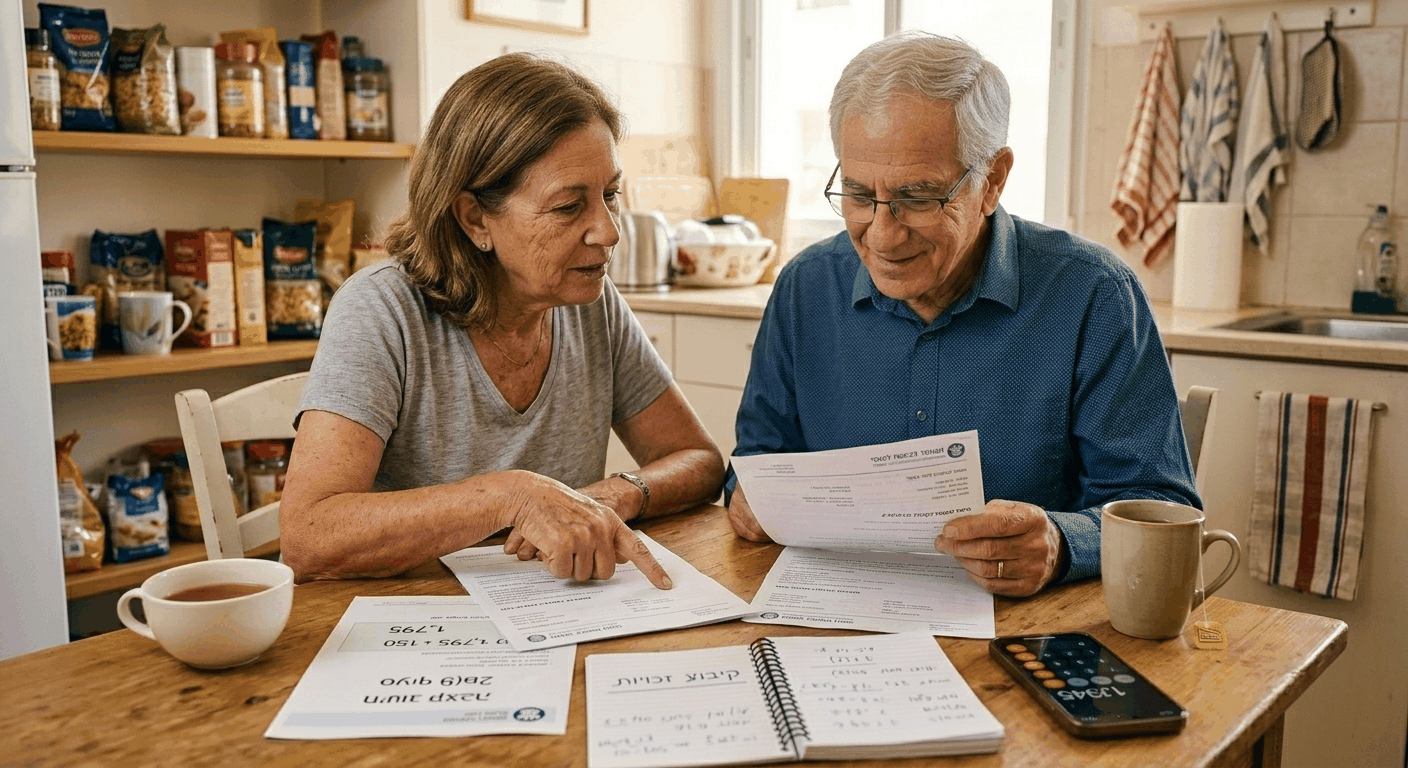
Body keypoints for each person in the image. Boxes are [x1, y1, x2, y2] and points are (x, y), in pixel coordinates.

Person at [726, 32, 1199, 597]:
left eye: (918, 197)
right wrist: (747, 495)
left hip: (1029, 634)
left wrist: (1060, 542)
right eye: (858, 194)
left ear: (992, 181)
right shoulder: (805, 288)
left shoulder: (1095, 295)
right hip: (835, 621)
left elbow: (1158, 507)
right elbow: (755, 462)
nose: (882, 233)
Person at [280, 54, 724, 587]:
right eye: (568, 207)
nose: (607, 232)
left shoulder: (590, 303)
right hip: (413, 628)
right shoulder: (380, 310)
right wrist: (512, 496)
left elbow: (697, 458)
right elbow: (307, 537)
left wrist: (613, 493)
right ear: (474, 218)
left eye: (609, 195)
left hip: (550, 613)